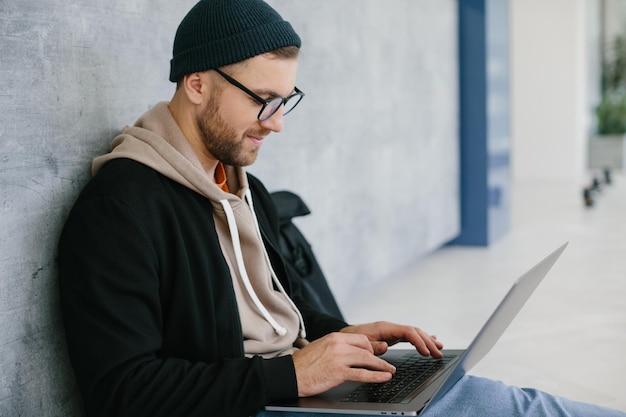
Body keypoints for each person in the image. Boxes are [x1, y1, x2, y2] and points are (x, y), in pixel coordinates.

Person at [57, 1, 625, 416]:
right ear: (198, 83)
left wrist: (347, 336)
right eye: (264, 100)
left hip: (292, 392)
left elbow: (282, 316)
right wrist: (291, 375)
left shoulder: (239, 183)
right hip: (251, 406)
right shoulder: (120, 209)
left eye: (287, 101)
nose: (277, 122)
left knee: (510, 403)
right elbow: (121, 392)